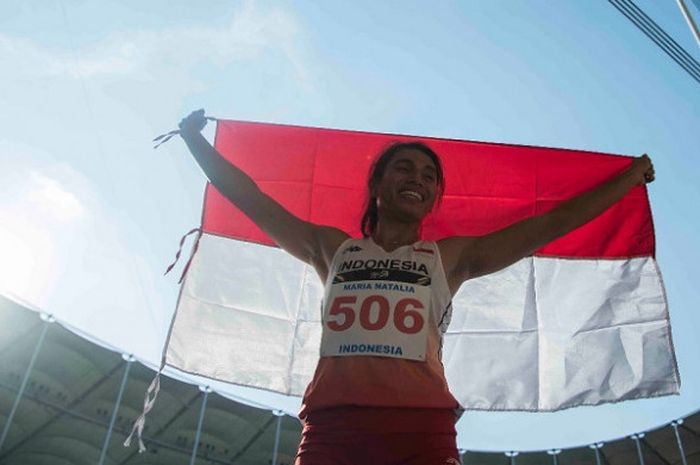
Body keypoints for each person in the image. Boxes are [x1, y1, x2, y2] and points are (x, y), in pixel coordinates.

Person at [178, 109, 655, 465]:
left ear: (434, 199)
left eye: (429, 177)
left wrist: (628, 179)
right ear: (379, 183)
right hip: (333, 426)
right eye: (404, 169)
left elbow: (553, 222)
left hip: (419, 430)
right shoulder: (332, 249)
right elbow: (251, 199)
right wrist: (194, 142)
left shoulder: (450, 258)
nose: (417, 180)